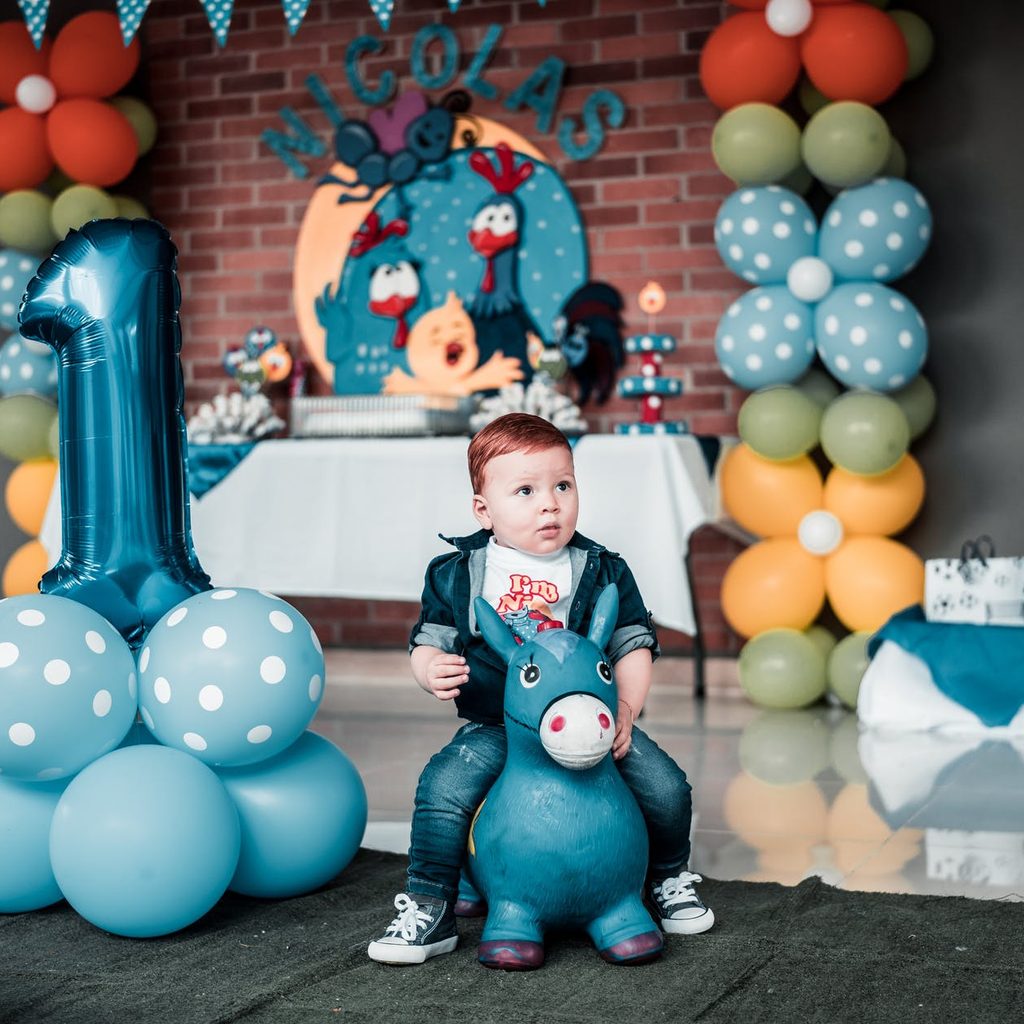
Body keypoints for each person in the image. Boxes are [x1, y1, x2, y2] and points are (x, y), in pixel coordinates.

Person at [367, 413, 713, 964]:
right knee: (443, 788)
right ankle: (430, 905)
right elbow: (429, 639)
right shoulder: (458, 573)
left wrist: (626, 709)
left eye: (563, 486)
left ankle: (668, 878)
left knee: (666, 787)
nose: (549, 505)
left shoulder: (603, 569)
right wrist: (429, 668)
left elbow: (632, 644)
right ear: (483, 509)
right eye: (525, 491)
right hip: (498, 725)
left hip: (590, 724)